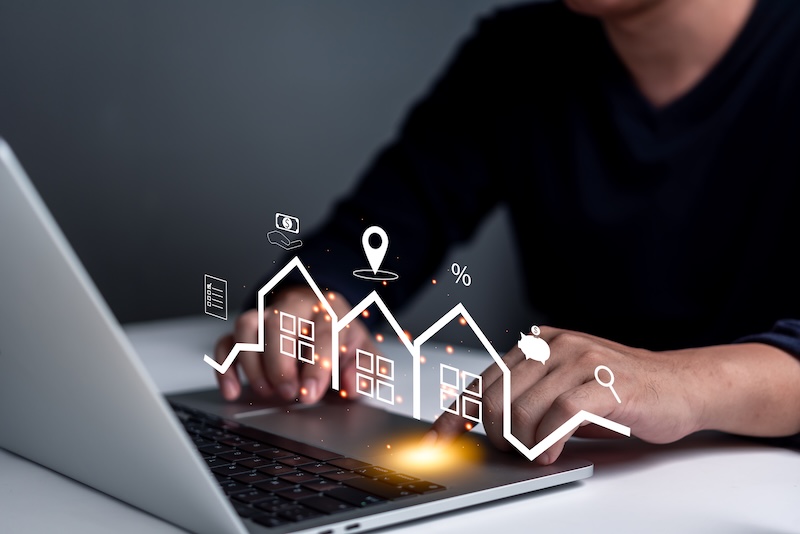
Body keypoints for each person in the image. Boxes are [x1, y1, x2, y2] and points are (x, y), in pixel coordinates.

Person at [213, 0, 800, 465]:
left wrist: (683, 384)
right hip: (560, 474)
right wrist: (310, 304)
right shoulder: (516, 57)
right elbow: (371, 232)